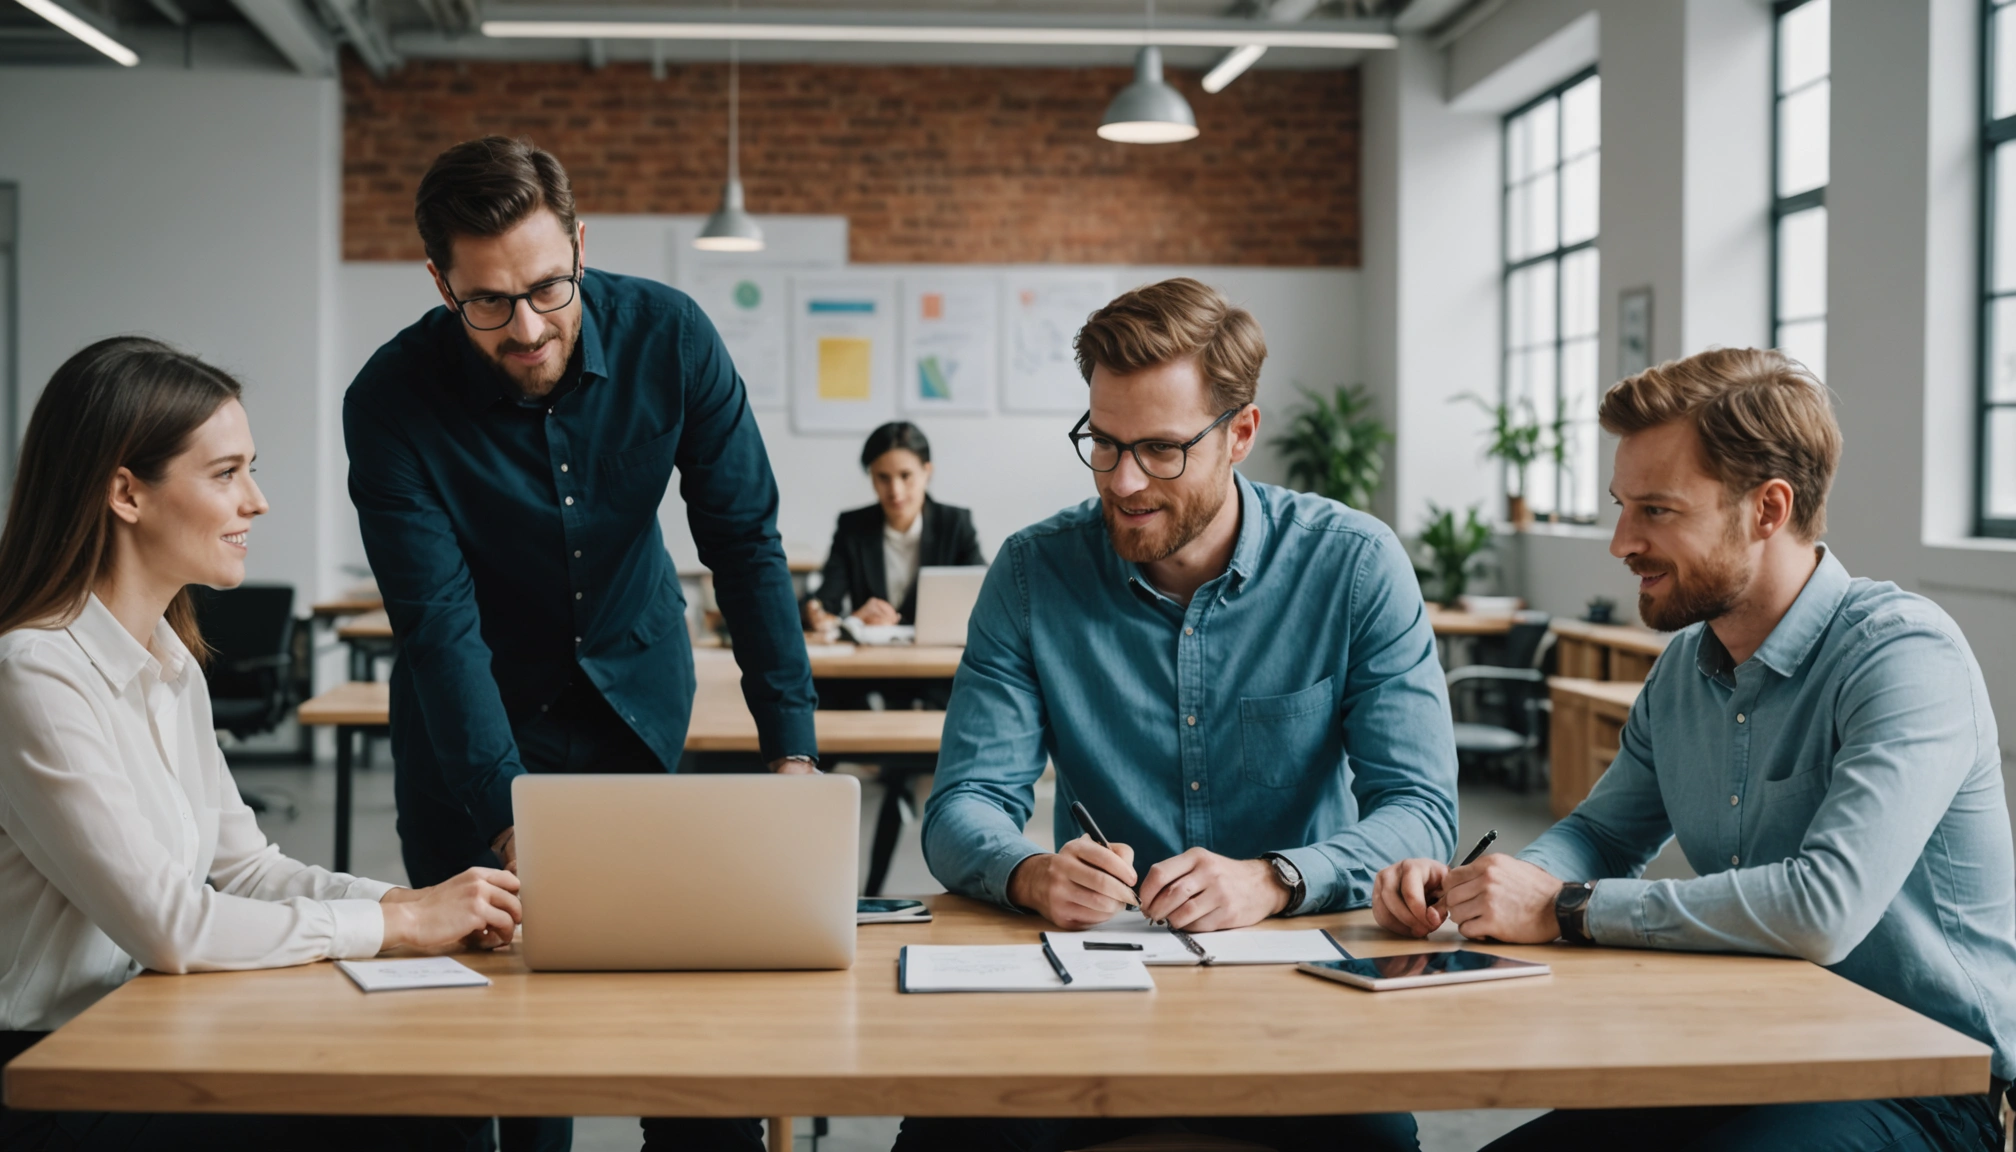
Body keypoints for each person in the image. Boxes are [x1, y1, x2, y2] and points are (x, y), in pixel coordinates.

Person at [1374, 348, 2016, 1152]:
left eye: (1657, 511)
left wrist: (1565, 909)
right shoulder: (1685, 666)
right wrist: (1492, 888)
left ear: (1768, 510)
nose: (1619, 542)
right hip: (1742, 1052)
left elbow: (1824, 907)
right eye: (1620, 505)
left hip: (1922, 1082)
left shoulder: (1904, 656)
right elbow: (1604, 835)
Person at [898, 278, 1456, 1152]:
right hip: (1085, 979)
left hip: (1295, 977)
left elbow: (1420, 812)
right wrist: (1033, 874)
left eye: (1160, 450)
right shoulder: (1031, 574)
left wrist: (1274, 878)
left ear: (1239, 434)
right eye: (1103, 444)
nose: (1124, 481)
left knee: (1376, 1148)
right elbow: (965, 803)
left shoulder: (1352, 567)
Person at [343, 136, 810, 1152]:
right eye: (488, 302)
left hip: (632, 701)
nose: (527, 327)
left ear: (581, 246)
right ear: (439, 281)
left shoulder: (670, 338)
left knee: (661, 1008)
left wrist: (793, 750)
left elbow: (745, 539)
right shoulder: (391, 400)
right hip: (470, 729)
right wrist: (516, 833)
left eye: (550, 288)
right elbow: (438, 626)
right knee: (489, 1034)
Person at [0, 337, 520, 1152]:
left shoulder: (172, 666)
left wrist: (415, 907)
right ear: (125, 494)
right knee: (422, 1115)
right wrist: (399, 925)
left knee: (444, 1085)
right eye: (226, 473)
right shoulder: (31, 673)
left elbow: (247, 870)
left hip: (143, 1026)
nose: (257, 501)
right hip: (51, 1073)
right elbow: (171, 926)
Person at [803, 421, 984, 633]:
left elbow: (983, 594)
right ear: (871, 477)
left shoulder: (954, 524)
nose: (895, 491)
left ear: (927, 472)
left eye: (905, 476)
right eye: (883, 478)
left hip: (936, 655)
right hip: (870, 658)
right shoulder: (852, 526)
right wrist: (826, 615)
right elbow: (825, 602)